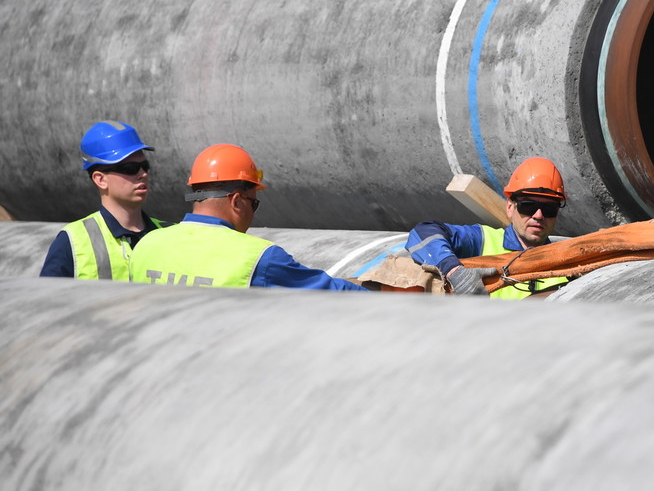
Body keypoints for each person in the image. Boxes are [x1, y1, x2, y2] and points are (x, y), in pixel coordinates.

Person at [130, 143, 368, 291]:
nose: (252, 215)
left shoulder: (147, 244)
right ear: (236, 201)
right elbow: (333, 295)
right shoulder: (258, 258)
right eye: (254, 203)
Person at [407, 157, 571, 299]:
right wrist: (453, 271)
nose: (538, 215)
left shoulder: (569, 261)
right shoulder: (482, 240)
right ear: (509, 207)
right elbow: (422, 233)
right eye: (528, 206)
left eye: (549, 208)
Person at [40, 120, 170, 280]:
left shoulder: (169, 234)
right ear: (100, 179)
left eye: (145, 166)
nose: (143, 174)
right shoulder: (73, 241)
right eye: (130, 168)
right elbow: (49, 300)